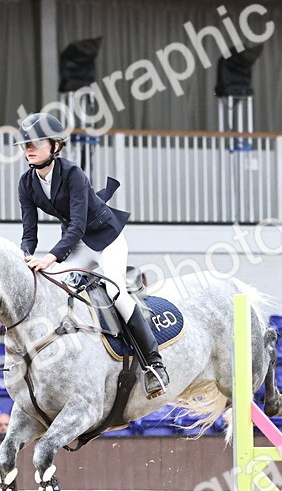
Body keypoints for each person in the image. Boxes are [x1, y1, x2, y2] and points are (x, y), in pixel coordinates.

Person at [14, 112, 169, 399]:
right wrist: (25, 257)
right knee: (58, 286)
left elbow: (76, 226)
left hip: (106, 239)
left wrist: (49, 258)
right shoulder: (27, 183)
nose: (29, 149)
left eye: (36, 142)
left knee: (115, 290)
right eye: (25, 145)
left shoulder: (72, 173)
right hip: (78, 246)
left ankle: (153, 363)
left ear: (55, 146)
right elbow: (29, 231)